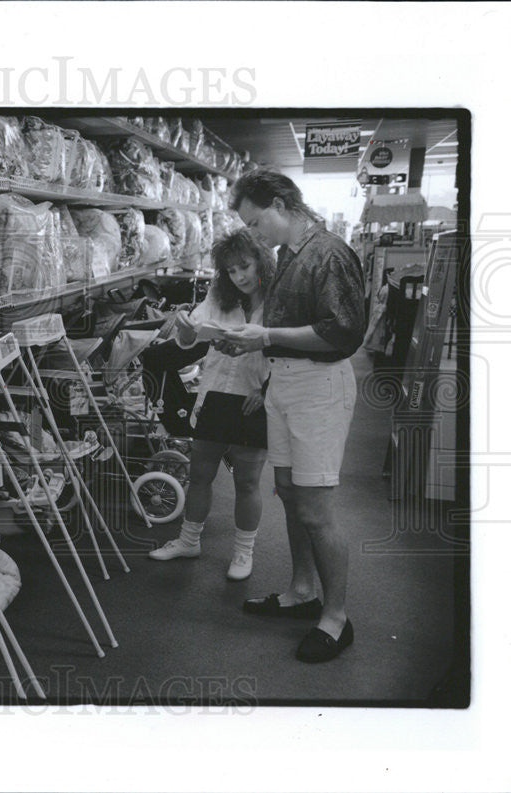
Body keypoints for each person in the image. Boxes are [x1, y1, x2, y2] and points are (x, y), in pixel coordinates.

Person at [223, 168, 366, 663]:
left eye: (257, 221)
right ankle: (302, 590)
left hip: (318, 387)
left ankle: (337, 617)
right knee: (287, 491)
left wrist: (266, 338)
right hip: (284, 382)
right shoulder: (289, 254)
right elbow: (286, 326)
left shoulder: (329, 253)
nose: (255, 234)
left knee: (316, 509)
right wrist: (253, 343)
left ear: (283, 203)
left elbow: (342, 333)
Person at [149, 228, 273, 581]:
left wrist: (266, 390)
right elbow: (189, 341)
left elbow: (290, 353)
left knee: (248, 482)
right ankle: (188, 541)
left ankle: (243, 552)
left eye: (244, 266)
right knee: (201, 474)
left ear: (261, 259)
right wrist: (186, 330)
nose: (239, 276)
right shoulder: (220, 295)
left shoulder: (279, 299)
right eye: (231, 270)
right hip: (216, 392)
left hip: (254, 396)